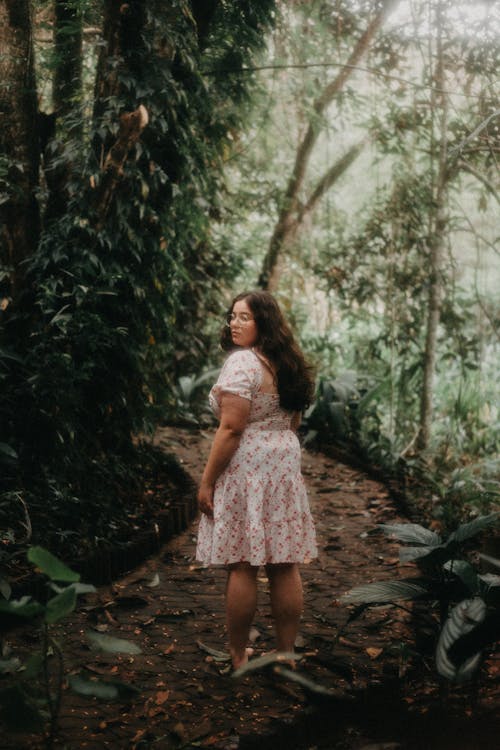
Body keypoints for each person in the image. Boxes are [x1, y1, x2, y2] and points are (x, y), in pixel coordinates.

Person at [196, 290, 317, 670]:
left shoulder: (242, 363)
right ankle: (285, 654)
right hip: (282, 462)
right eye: (232, 316)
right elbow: (293, 422)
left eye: (244, 317)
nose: (234, 323)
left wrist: (206, 482)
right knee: (284, 561)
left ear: (264, 321)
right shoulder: (287, 363)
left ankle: (237, 655)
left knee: (243, 563)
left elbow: (231, 428)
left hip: (247, 465)